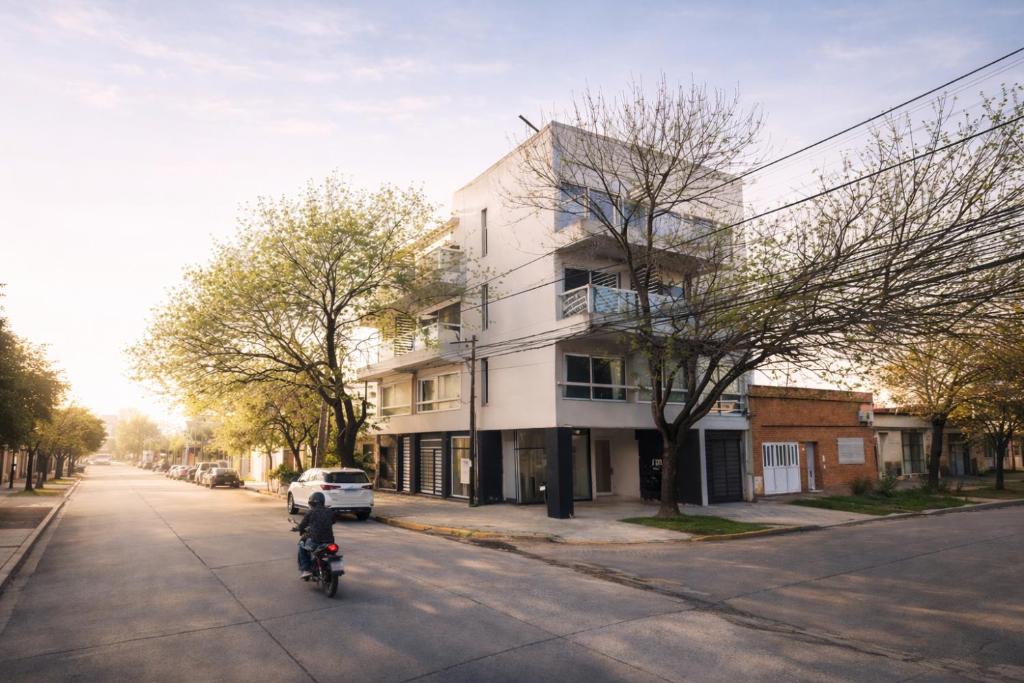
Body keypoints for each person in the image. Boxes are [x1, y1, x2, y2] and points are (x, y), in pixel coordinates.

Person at [296, 491, 335, 579]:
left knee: (302, 546)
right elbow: (333, 521)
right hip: (330, 541)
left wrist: (300, 529)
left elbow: (302, 525)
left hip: (316, 541)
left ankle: (306, 569)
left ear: (312, 502)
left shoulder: (311, 512)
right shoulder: (330, 511)